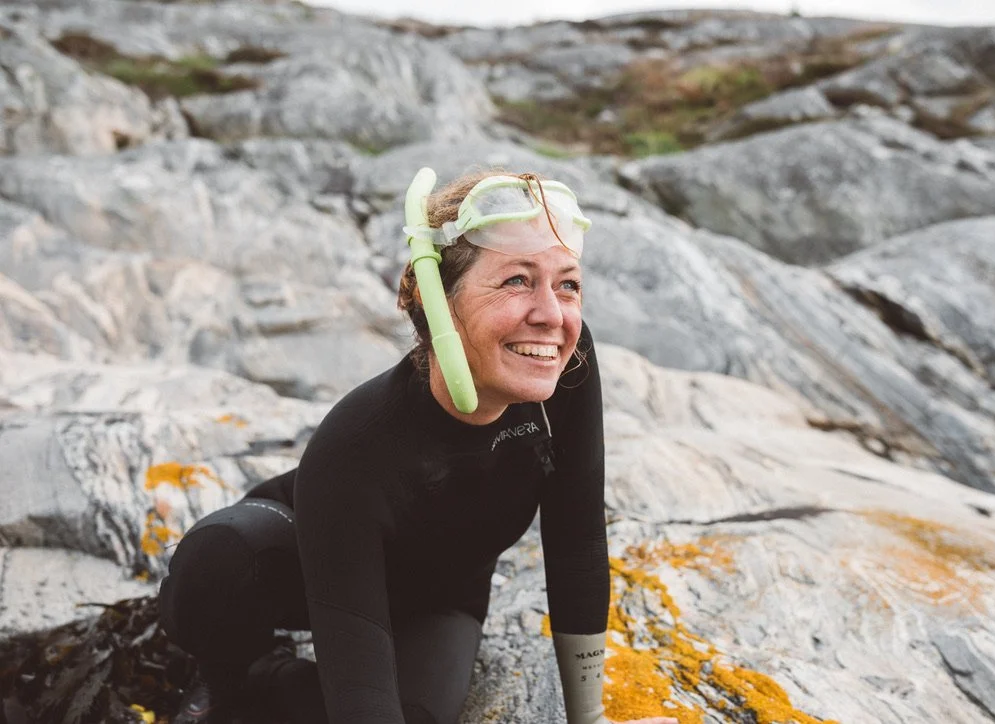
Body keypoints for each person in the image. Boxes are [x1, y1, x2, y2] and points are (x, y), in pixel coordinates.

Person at [157, 168, 680, 724]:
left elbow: (577, 542)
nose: (552, 316)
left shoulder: (565, 363)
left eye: (568, 284)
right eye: (516, 280)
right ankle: (229, 674)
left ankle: (273, 678)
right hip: (306, 566)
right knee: (219, 557)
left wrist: (588, 718)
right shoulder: (357, 442)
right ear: (439, 304)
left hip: (440, 596)